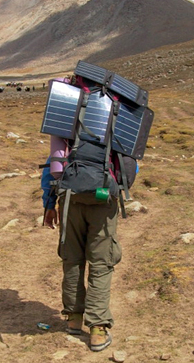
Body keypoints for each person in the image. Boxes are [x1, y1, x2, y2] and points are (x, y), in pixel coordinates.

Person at [41, 147, 123, 352]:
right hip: (103, 199)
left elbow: (52, 168)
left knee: (72, 259)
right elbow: (130, 169)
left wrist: (49, 204)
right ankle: (97, 329)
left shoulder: (68, 129)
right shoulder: (114, 128)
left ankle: (74, 319)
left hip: (70, 200)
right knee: (101, 263)